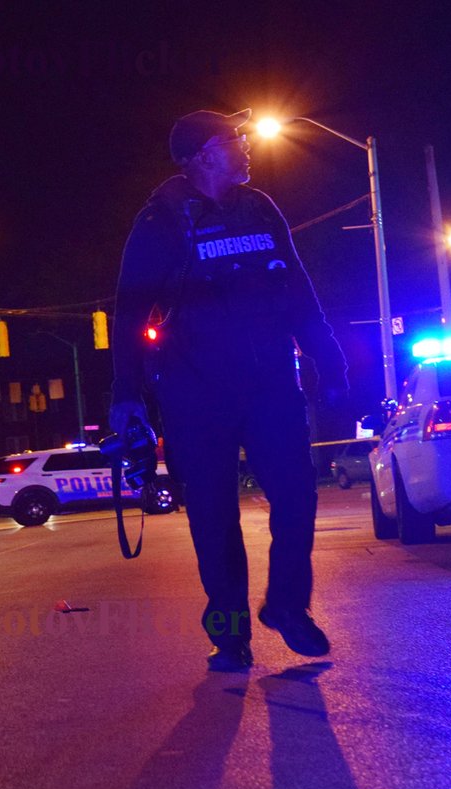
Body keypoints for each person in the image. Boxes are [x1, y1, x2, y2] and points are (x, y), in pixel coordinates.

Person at [109, 109, 348, 672]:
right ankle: (229, 635)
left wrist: (330, 362)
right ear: (199, 156)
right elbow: (127, 313)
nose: (245, 145)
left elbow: (298, 290)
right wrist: (125, 394)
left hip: (269, 383)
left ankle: (287, 607)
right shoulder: (159, 222)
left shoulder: (261, 208)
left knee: (297, 496)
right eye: (233, 138)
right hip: (195, 394)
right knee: (213, 516)